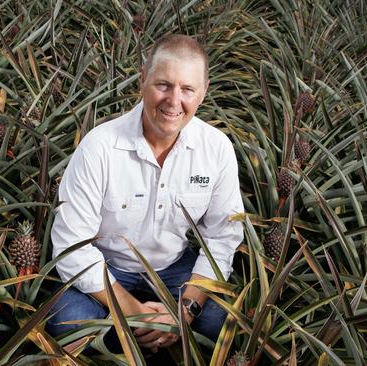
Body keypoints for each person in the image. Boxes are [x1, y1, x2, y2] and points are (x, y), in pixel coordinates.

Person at [47, 34, 244, 352]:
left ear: (203, 92)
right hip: (108, 268)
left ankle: (132, 339)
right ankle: (145, 339)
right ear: (143, 79)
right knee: (68, 321)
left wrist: (184, 312)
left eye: (187, 89)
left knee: (220, 321)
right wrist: (135, 313)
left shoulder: (216, 148)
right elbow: (72, 247)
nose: (174, 100)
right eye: (163, 85)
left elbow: (221, 240)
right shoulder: (99, 147)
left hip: (175, 266)